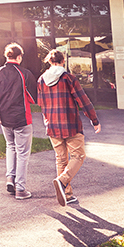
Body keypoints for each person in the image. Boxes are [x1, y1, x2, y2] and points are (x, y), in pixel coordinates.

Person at [37, 50, 102, 207]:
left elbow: (41, 103)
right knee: (79, 156)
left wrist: (47, 120)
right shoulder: (68, 78)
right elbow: (83, 100)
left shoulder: (41, 80)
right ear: (63, 61)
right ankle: (62, 181)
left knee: (61, 159)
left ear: (49, 62)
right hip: (70, 124)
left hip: (52, 125)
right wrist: (94, 120)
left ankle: (67, 194)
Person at [0, 43, 37, 200]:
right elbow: (33, 98)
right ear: (19, 57)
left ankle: (10, 178)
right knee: (22, 153)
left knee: (10, 146)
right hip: (22, 119)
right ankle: (20, 189)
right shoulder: (25, 74)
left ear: (6, 56)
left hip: (5, 119)